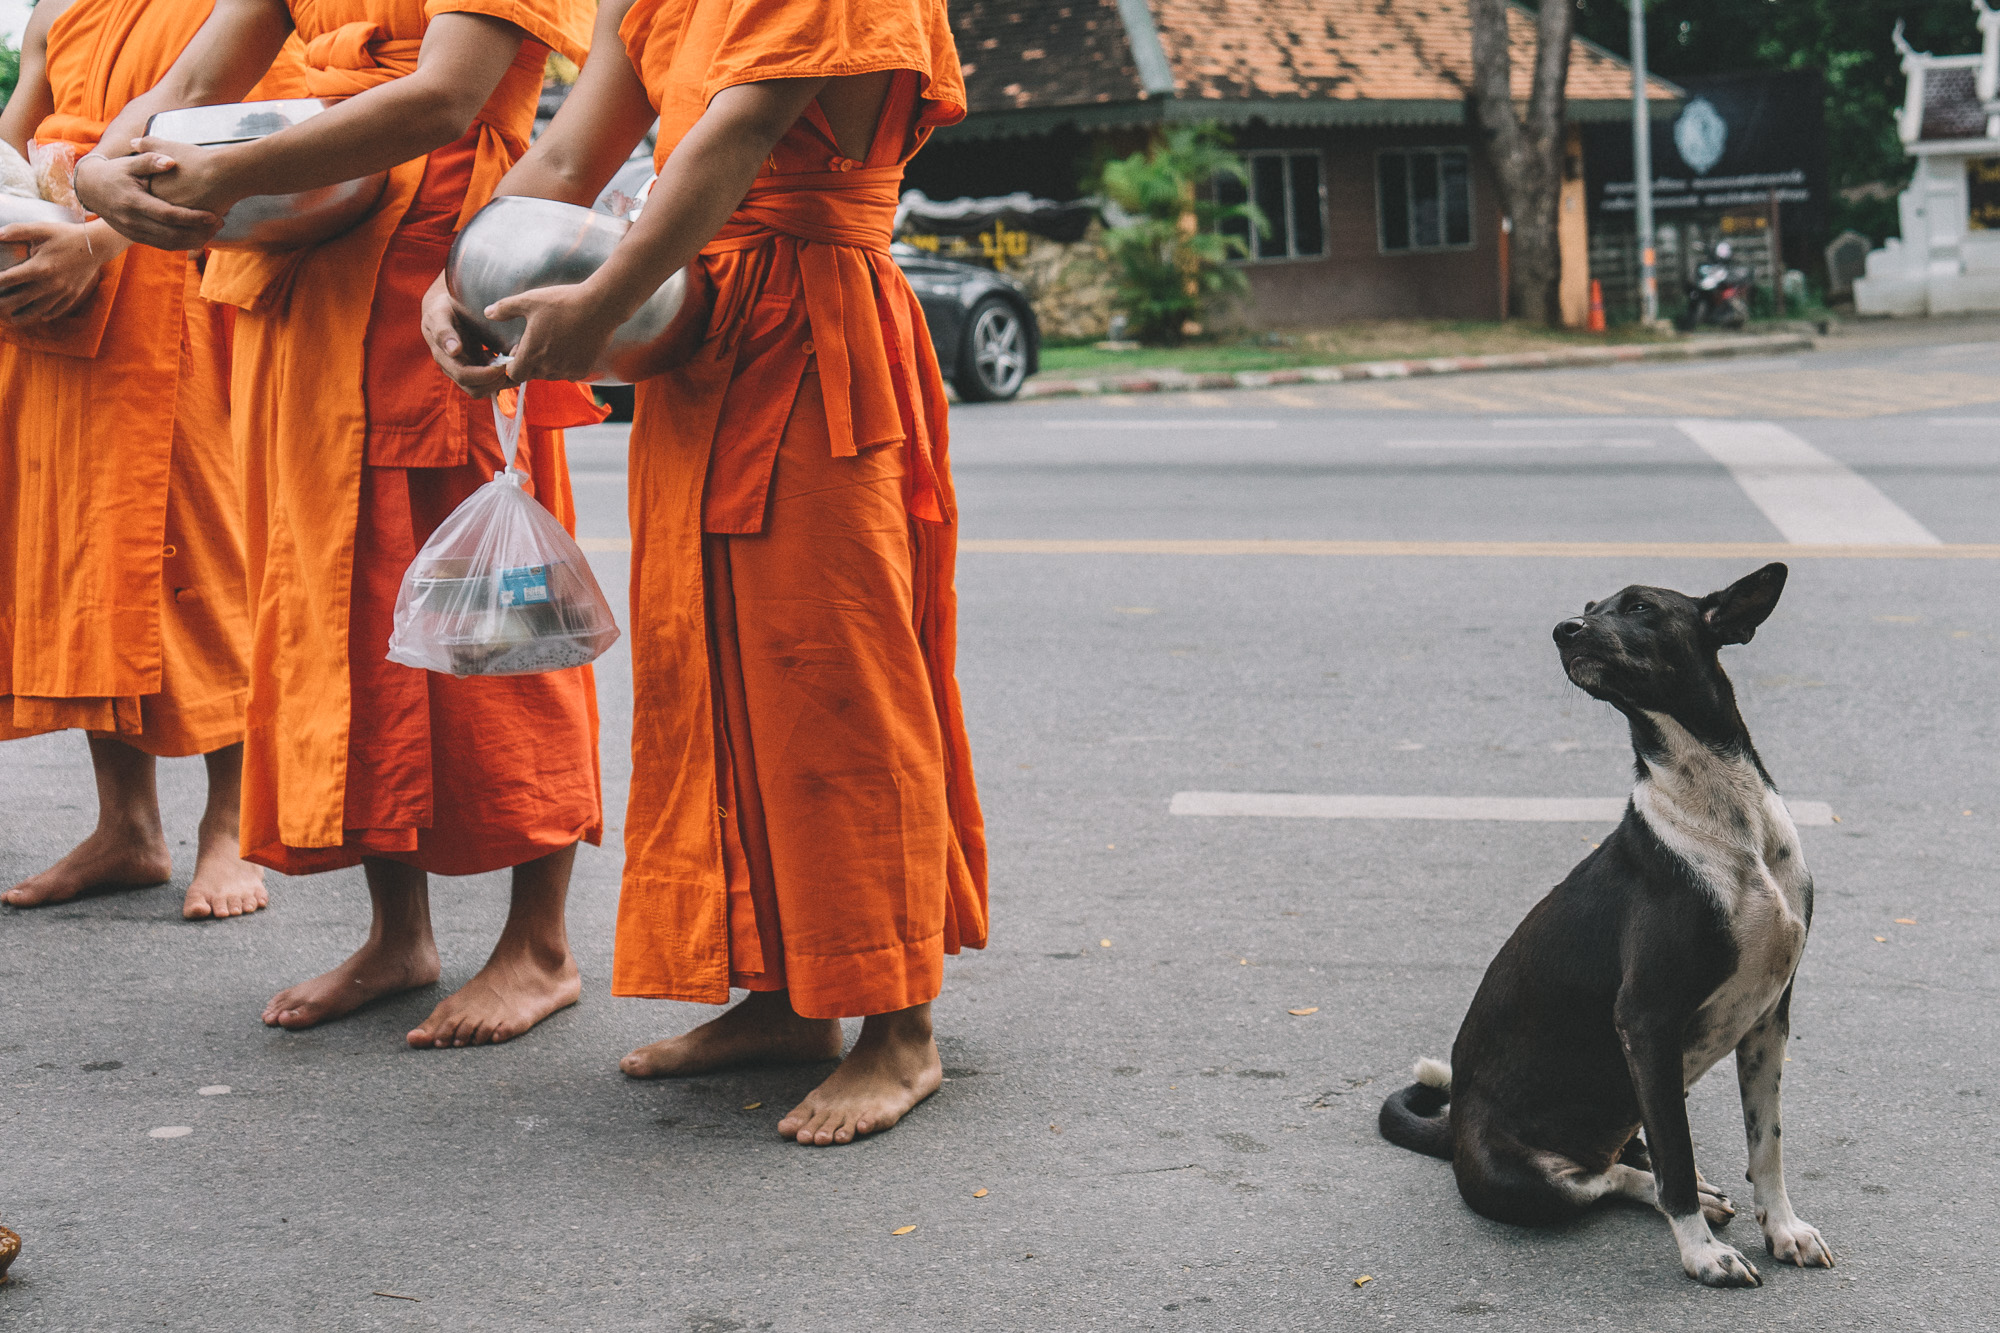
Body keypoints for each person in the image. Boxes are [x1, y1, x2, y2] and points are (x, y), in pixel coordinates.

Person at [423, 0, 987, 1144]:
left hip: (811, 330)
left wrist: (603, 300)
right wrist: (457, 279)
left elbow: (734, 137)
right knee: (720, 672)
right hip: (700, 332)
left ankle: (897, 1025)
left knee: (834, 677)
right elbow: (571, 154)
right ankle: (787, 998)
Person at [74, 0, 603, 1048]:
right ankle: (396, 933)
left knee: (500, 623)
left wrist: (230, 176)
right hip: (304, 282)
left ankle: (538, 944)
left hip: (442, 274)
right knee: (343, 613)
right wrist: (102, 166)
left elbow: (446, 94)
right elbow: (188, 82)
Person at [0, 0, 293, 920]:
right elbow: (17, 144)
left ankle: (228, 827)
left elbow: (266, 151)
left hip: (185, 287)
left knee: (210, 557)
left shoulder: (249, 11)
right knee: (87, 559)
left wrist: (97, 239)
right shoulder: (61, 7)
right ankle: (126, 826)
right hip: (54, 300)